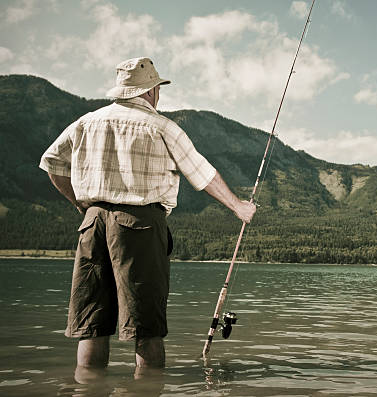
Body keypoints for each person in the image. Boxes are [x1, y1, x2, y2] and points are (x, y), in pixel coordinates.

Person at [39, 57, 256, 376]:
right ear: (153, 91)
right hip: (139, 225)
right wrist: (238, 206)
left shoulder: (86, 122)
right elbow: (201, 172)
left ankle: (88, 388)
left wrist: (81, 206)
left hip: (93, 224)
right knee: (146, 326)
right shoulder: (162, 126)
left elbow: (52, 163)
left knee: (92, 324)